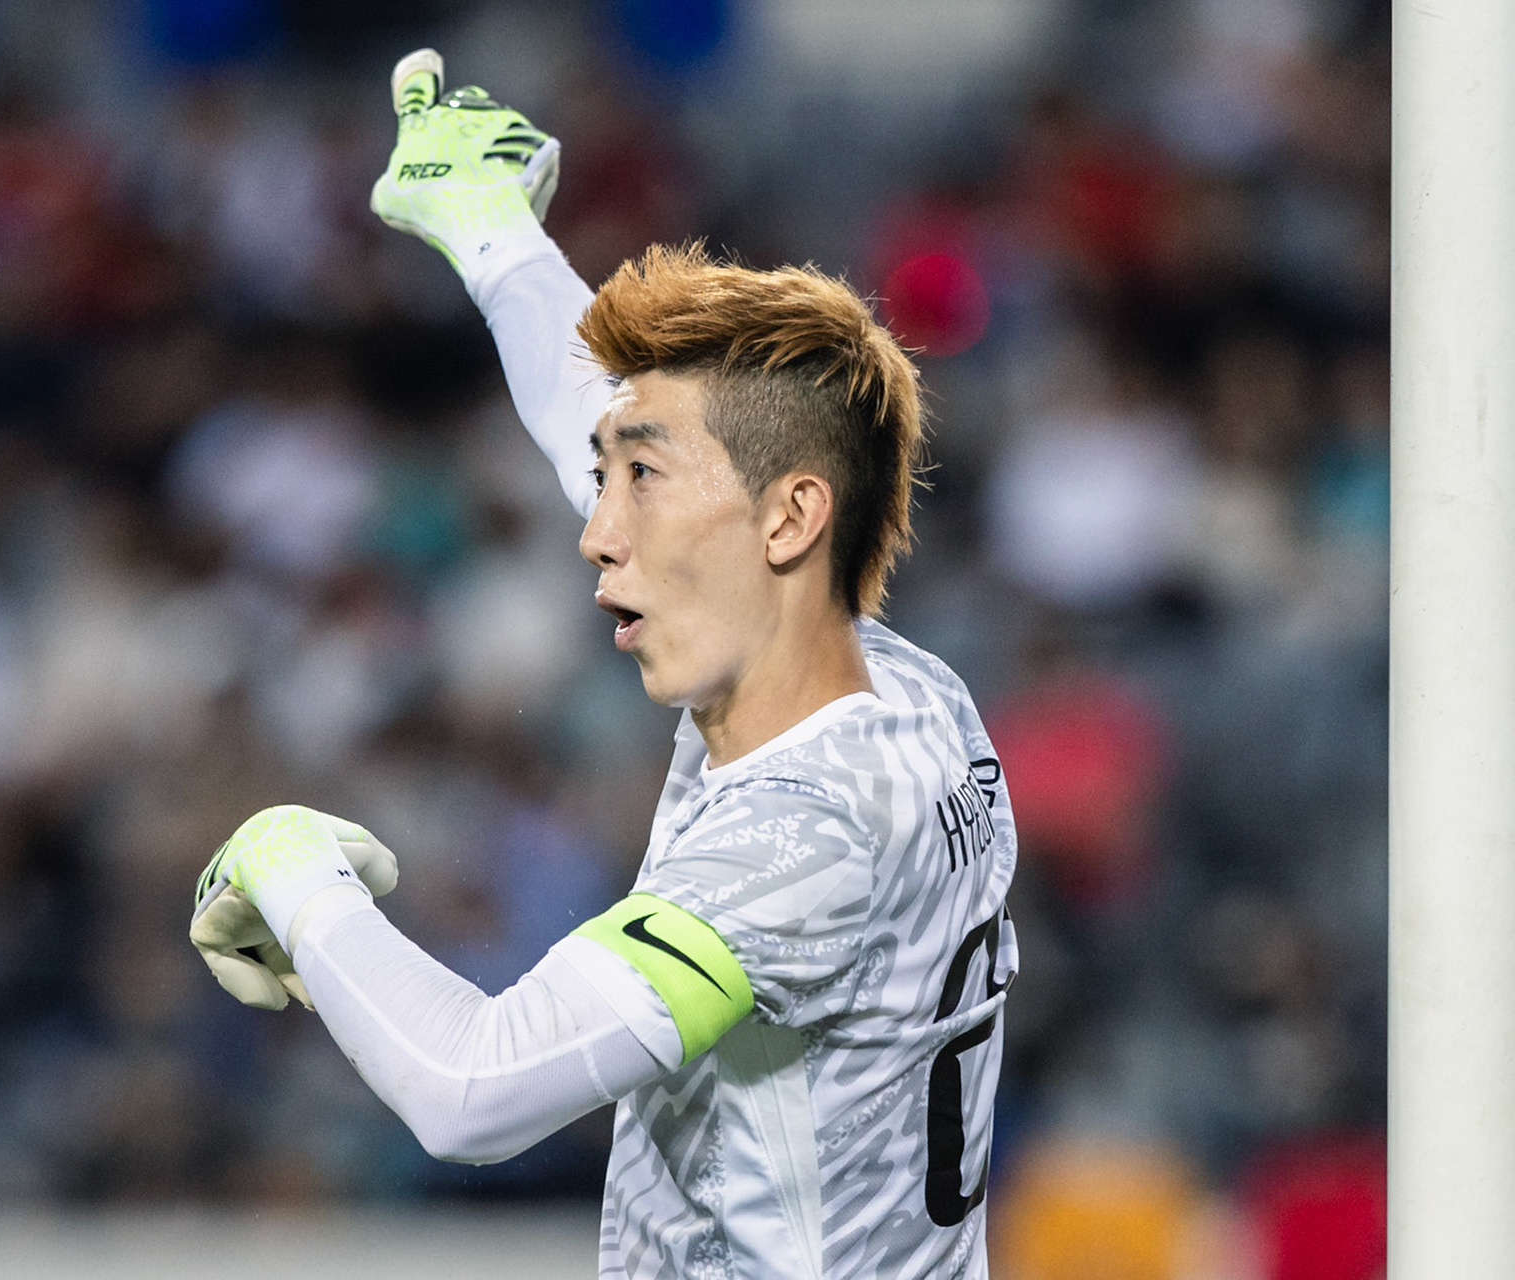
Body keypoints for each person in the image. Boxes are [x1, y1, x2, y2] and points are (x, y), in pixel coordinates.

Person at [188, 51, 1019, 1279]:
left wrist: (290, 868)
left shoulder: (803, 837)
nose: (595, 528)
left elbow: (470, 1089)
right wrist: (493, 234)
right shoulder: (899, 685)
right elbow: (605, 423)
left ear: (791, 517)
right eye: (609, 476)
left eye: (641, 481)